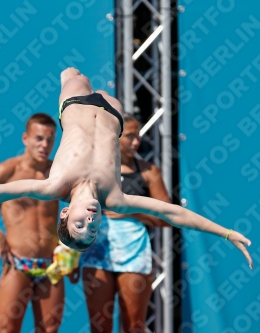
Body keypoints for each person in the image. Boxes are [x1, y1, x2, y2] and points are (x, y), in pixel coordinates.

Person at [0, 68, 253, 271]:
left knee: (75, 75)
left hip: (75, 104)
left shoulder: (52, 186)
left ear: (64, 215)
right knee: (107, 92)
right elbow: (173, 213)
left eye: (80, 223)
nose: (90, 219)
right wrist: (225, 232)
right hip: (112, 113)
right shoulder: (115, 198)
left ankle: (69, 73)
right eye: (93, 226)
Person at [0, 113, 75, 333]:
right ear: (25, 138)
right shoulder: (9, 170)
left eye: (50, 139)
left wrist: (73, 249)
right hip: (18, 263)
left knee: (50, 329)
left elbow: (81, 205)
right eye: (39, 138)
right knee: (7, 329)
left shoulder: (57, 172)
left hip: (51, 264)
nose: (45, 145)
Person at [80, 114, 171, 332]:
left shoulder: (149, 172)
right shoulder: (93, 170)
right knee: (100, 326)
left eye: (138, 136)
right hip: (97, 253)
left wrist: (132, 213)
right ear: (114, 137)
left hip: (134, 254)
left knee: (134, 326)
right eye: (130, 136)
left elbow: (167, 217)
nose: (136, 142)